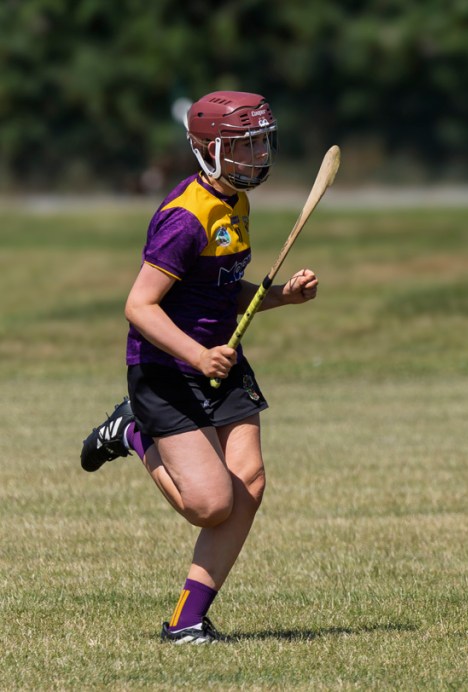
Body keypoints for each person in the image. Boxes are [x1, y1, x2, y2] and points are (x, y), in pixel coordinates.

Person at [80, 91, 320, 644]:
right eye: (244, 146)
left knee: (249, 484)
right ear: (208, 150)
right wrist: (196, 354)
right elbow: (139, 306)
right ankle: (133, 431)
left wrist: (282, 296)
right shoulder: (184, 219)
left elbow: (219, 292)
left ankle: (187, 621)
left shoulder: (237, 203)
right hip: (167, 368)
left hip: (220, 359)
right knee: (211, 505)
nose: (257, 156)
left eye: (261, 143)